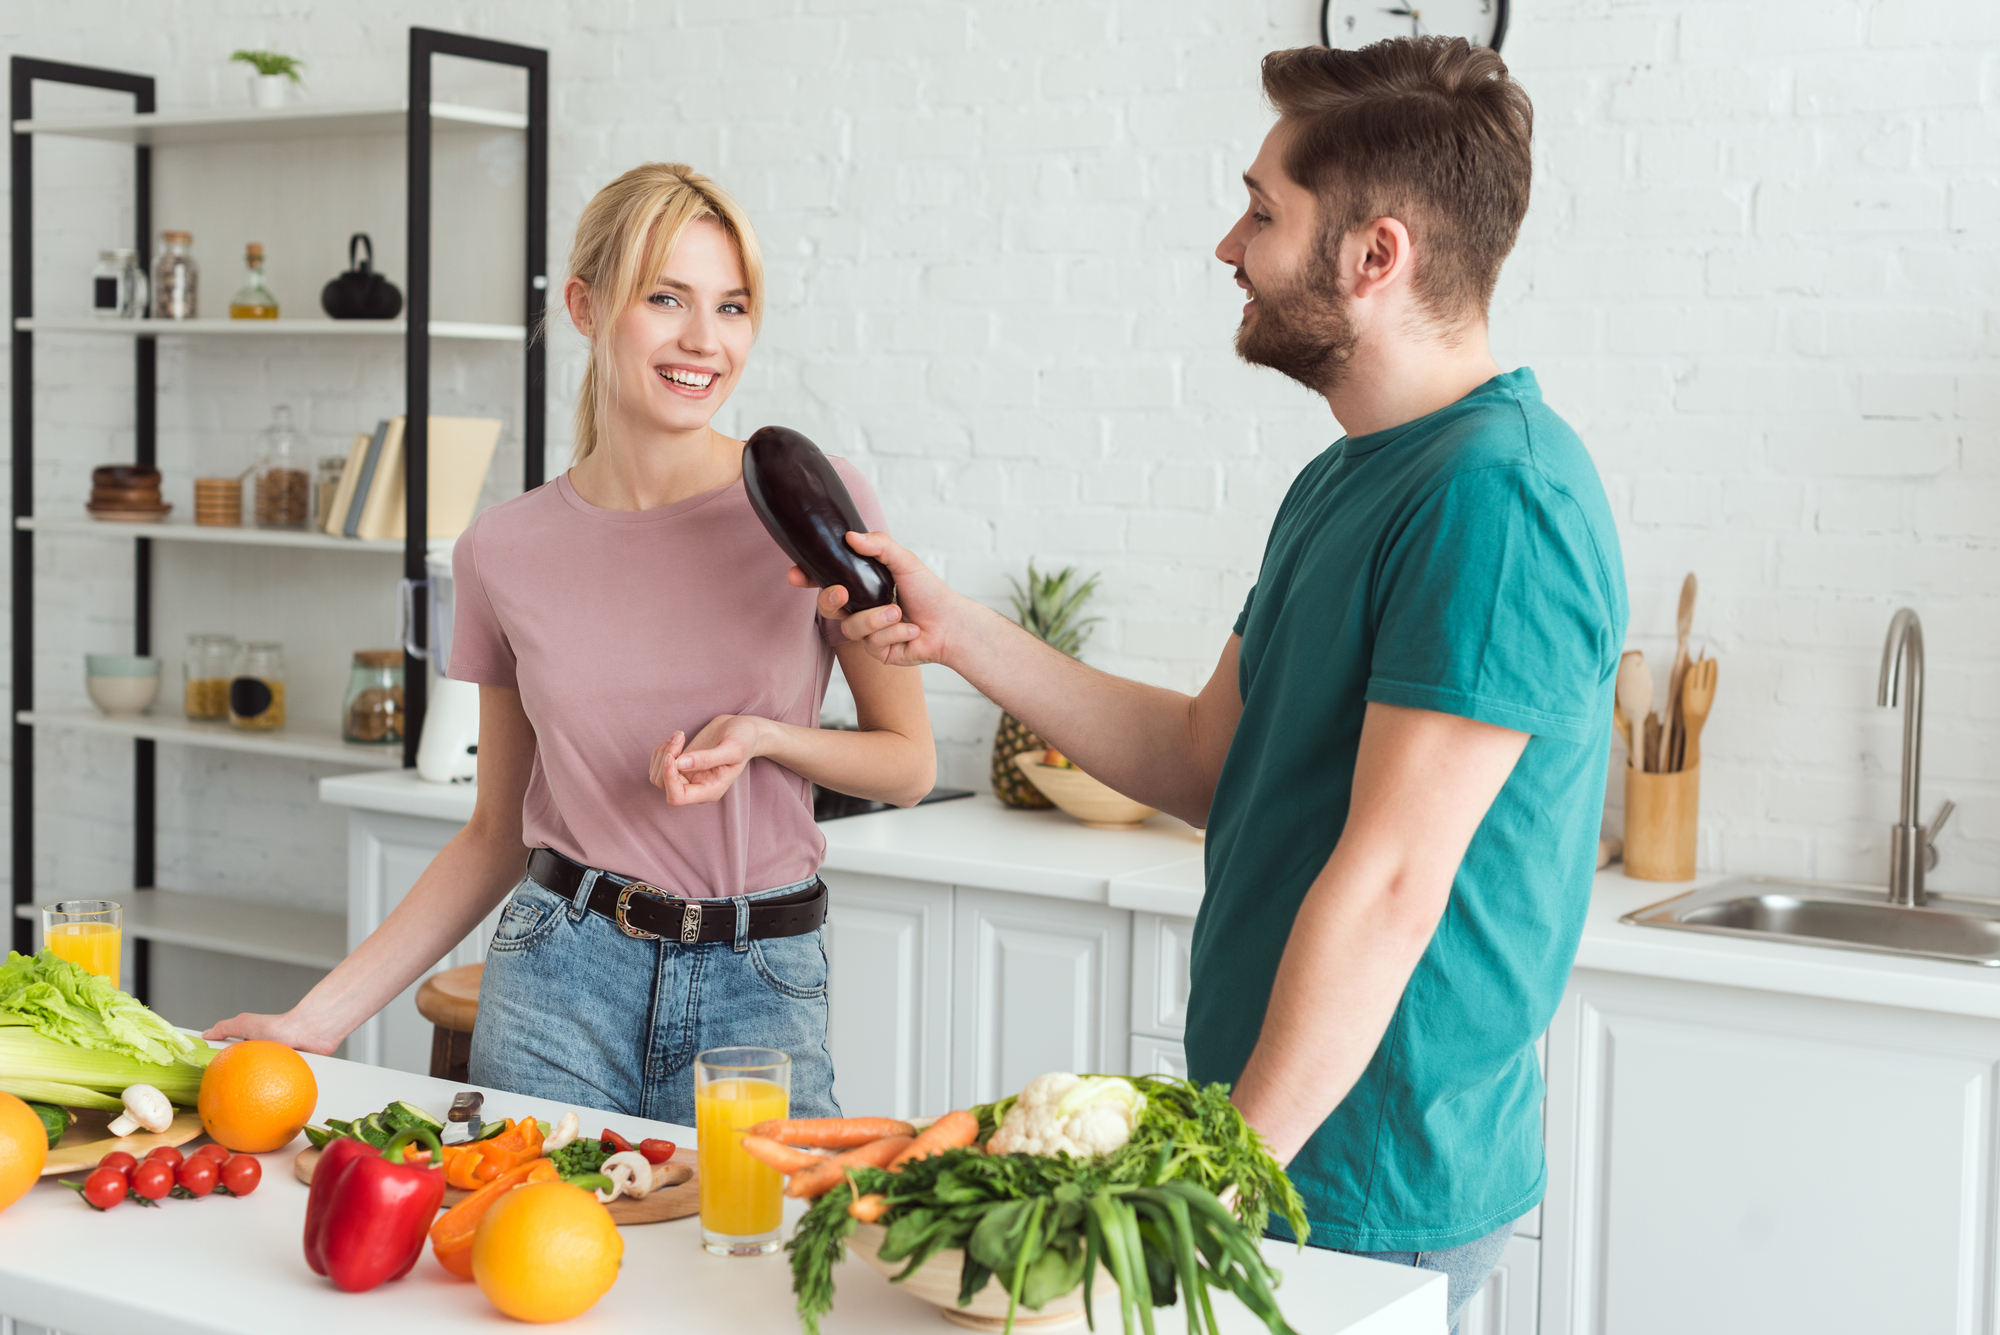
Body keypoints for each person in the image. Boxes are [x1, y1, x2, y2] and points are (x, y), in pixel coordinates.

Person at [805, 40, 1625, 1331]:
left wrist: (1219, 1181)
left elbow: (1398, 884)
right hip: (1277, 1151)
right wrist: (955, 627)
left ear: (1376, 254)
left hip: (1362, 1166)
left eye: (1261, 209)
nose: (1227, 245)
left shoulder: (1496, 497)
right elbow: (1201, 754)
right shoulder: (1350, 476)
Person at [208, 163, 934, 1125]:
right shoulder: (504, 549)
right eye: (665, 298)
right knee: (531, 1255)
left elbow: (908, 764)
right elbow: (494, 831)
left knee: (758, 1262)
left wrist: (767, 738)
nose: (703, 341)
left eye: (731, 305)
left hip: (763, 976)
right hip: (560, 973)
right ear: (587, 309)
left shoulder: (808, 504)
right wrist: (319, 1015)